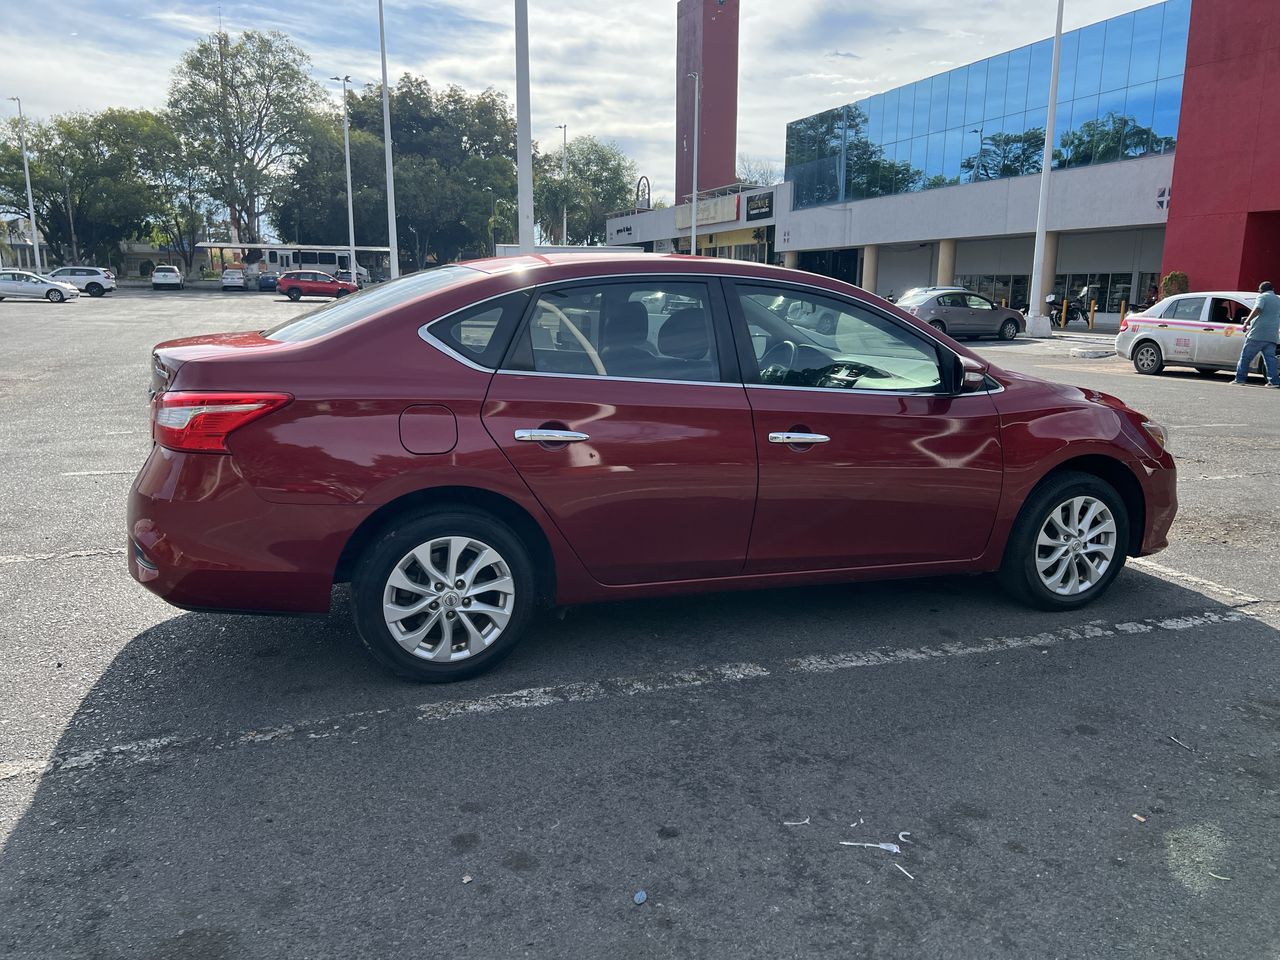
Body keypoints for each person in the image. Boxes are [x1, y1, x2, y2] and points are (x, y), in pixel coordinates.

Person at [1233, 280, 1280, 386]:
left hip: (1257, 333)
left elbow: (1258, 309)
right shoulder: (1278, 299)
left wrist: (1246, 322)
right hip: (1272, 335)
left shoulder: (1262, 297)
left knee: (1245, 357)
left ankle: (1240, 379)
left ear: (1260, 290)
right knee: (1270, 359)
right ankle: (1274, 381)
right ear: (1272, 289)